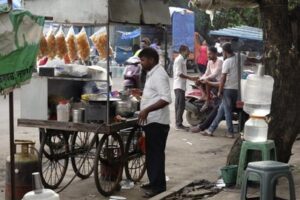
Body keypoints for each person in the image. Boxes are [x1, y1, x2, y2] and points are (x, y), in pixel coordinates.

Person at [132, 47, 172, 198]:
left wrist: (146, 110)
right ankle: (153, 182)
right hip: (151, 121)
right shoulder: (152, 73)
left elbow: (166, 98)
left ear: (151, 60)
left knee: (156, 155)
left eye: (143, 60)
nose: (141, 63)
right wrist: (141, 94)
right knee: (151, 154)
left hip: (158, 122)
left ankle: (158, 187)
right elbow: (155, 94)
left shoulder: (159, 75)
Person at [200, 43, 239, 138]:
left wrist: (219, 91)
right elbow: (208, 73)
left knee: (227, 112)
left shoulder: (225, 62)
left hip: (227, 89)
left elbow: (223, 78)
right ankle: (210, 130)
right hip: (236, 89)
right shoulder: (239, 57)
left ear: (225, 52)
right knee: (221, 111)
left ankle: (230, 132)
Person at [173, 45, 198, 131]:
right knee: (180, 105)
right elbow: (179, 73)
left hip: (181, 86)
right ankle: (178, 124)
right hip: (178, 85)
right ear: (183, 51)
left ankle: (179, 123)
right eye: (187, 51)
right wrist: (191, 78)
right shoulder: (179, 59)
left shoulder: (183, 59)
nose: (189, 53)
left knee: (180, 105)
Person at [197, 46, 223, 112]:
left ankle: (208, 101)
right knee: (197, 80)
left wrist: (205, 79)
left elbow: (215, 74)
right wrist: (200, 79)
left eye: (210, 54)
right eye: (208, 54)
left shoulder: (220, 61)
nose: (208, 55)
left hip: (218, 82)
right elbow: (206, 73)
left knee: (207, 80)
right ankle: (204, 95)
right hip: (211, 79)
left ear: (215, 54)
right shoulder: (209, 62)